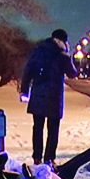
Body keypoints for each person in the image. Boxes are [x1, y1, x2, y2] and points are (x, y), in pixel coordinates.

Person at [20, 29, 78, 164]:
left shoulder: (38, 50)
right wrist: (69, 56)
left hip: (38, 94)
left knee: (37, 127)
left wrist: (24, 91)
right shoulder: (62, 55)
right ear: (63, 41)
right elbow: (72, 73)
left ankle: (37, 158)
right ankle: (49, 158)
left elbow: (28, 70)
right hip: (54, 96)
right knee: (53, 129)